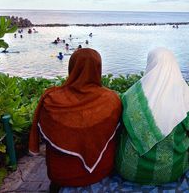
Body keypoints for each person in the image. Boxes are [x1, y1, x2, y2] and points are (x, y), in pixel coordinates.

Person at [29, 48, 122, 192]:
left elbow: (46, 135)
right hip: (101, 171)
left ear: (71, 67)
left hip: (61, 175)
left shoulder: (51, 99)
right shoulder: (111, 99)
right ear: (98, 68)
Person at [115, 47, 189, 184]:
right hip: (171, 171)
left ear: (150, 64)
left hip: (128, 169)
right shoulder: (187, 101)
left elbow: (120, 129)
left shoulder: (131, 95)